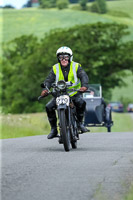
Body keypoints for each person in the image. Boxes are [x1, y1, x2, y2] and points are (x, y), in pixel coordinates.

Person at [41, 46, 89, 139]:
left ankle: (79, 124)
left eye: (66, 57)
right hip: (59, 94)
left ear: (70, 57)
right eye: (61, 57)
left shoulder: (76, 66)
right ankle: (54, 130)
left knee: (81, 103)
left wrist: (84, 86)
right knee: (49, 107)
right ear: (58, 58)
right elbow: (49, 80)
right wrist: (46, 89)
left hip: (74, 93)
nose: (63, 59)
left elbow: (83, 76)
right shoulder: (55, 68)